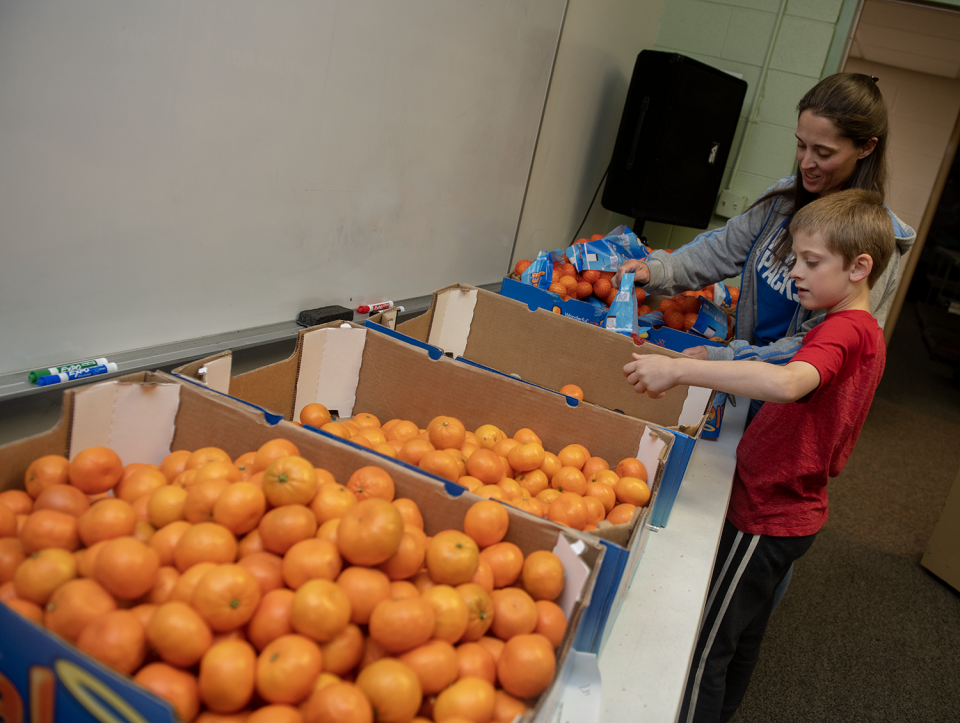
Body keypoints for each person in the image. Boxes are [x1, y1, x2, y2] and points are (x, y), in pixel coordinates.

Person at [622, 188, 895, 723]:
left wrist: (680, 369)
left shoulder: (842, 331)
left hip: (768, 515)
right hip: (789, 509)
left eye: (811, 262)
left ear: (860, 267)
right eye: (795, 258)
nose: (795, 272)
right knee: (743, 637)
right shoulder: (853, 328)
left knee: (705, 647)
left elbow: (790, 382)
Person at [612, 73, 914, 370]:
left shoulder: (874, 238)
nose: (806, 163)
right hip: (743, 378)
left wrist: (729, 360)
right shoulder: (783, 199)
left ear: (866, 147)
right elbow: (720, 250)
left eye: (823, 152)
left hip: (787, 395)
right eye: (801, 145)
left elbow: (822, 345)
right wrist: (657, 269)